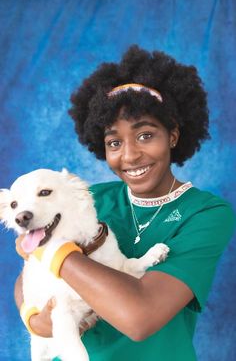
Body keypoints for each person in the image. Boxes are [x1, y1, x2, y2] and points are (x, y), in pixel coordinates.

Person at [15, 45, 235, 361]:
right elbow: (28, 274)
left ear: (172, 135)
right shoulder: (89, 198)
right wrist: (35, 319)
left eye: (145, 135)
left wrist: (51, 249)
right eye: (114, 142)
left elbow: (139, 317)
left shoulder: (206, 213)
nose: (129, 155)